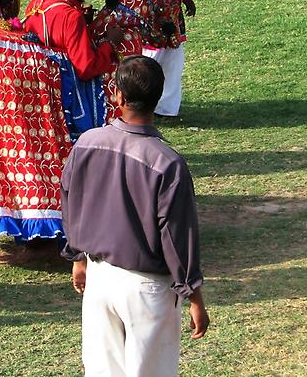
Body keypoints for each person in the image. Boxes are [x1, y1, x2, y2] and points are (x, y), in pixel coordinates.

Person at [61, 56, 209, 376]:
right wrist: (193, 294)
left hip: (100, 279)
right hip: (148, 289)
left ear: (117, 96)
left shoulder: (87, 144)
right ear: (158, 97)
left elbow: (71, 202)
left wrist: (78, 257)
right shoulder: (167, 163)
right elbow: (177, 235)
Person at [23, 0, 124, 138]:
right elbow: (86, 68)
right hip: (67, 95)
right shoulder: (71, 16)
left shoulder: (35, 3)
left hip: (42, 90)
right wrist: (109, 44)